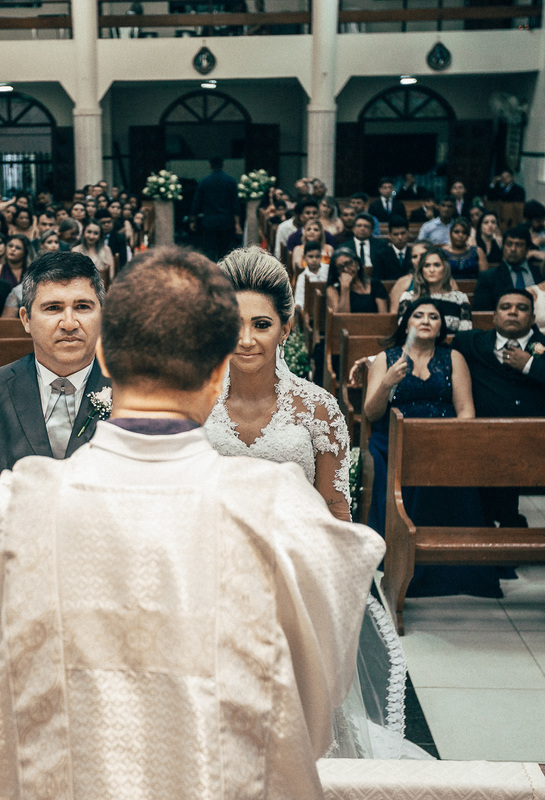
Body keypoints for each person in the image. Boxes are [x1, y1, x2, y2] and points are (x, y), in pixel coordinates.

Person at [0, 248, 386, 797]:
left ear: (106, 358)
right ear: (217, 374)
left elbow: (1, 671)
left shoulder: (10, 511)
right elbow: (317, 696)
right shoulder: (282, 513)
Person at [202, 246, 410, 759]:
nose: (245, 339)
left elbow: (336, 510)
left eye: (261, 324)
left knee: (290, 717)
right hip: (206, 572)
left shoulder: (318, 407)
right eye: (233, 323)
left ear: (286, 328)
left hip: (291, 581)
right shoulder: (189, 400)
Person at [0, 252, 109, 683]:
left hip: (110, 600)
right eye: (53, 308)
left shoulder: (135, 393)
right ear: (25, 317)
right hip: (15, 599)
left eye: (83, 306)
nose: (69, 322)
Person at [363, 299, 500, 597]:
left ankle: (451, 563)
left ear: (441, 326)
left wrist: (449, 442)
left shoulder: (454, 358)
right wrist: (386, 383)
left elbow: (466, 411)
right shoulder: (387, 359)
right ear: (407, 323)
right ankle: (402, 559)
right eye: (418, 315)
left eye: (433, 316)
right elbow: (371, 413)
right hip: (394, 441)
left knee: (453, 474)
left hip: (443, 441)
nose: (426, 320)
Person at [451, 290, 545, 527]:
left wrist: (531, 365)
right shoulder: (469, 344)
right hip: (487, 441)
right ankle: (498, 526)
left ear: (533, 318)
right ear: (494, 316)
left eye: (522, 308)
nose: (513, 312)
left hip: (544, 443)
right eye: (505, 307)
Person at [394, 250, 472, 334]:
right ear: (421, 270)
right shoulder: (409, 297)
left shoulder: (460, 299)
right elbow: (404, 330)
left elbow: (465, 333)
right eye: (427, 265)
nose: (432, 270)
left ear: (445, 268)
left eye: (437, 265)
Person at [472, 227, 543, 311]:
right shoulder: (488, 277)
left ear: (528, 249)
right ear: (503, 247)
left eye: (519, 245)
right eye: (509, 244)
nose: (513, 249)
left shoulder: (540, 273)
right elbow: (481, 313)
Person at [189, 155, 240, 261]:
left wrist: (193, 220)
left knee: (209, 251)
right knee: (225, 251)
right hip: (226, 221)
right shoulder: (231, 181)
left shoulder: (204, 181)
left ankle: (211, 274)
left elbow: (196, 202)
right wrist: (237, 224)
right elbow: (235, 204)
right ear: (223, 165)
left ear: (210, 165)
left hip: (209, 221)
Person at [326, 248, 388, 315]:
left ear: (357, 263)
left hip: (374, 324)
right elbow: (341, 319)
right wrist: (345, 288)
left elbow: (383, 316)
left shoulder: (376, 285)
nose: (346, 269)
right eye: (340, 267)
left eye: (348, 263)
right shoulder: (332, 289)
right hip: (347, 325)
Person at [342, 213, 387, 279]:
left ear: (371, 230)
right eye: (359, 226)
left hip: (376, 279)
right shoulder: (344, 247)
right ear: (353, 229)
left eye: (366, 226)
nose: (362, 229)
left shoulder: (381, 245)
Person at [374, 216, 414, 282]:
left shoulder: (414, 252)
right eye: (396, 234)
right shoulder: (381, 255)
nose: (400, 237)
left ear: (408, 233)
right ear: (389, 236)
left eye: (403, 233)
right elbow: (377, 279)